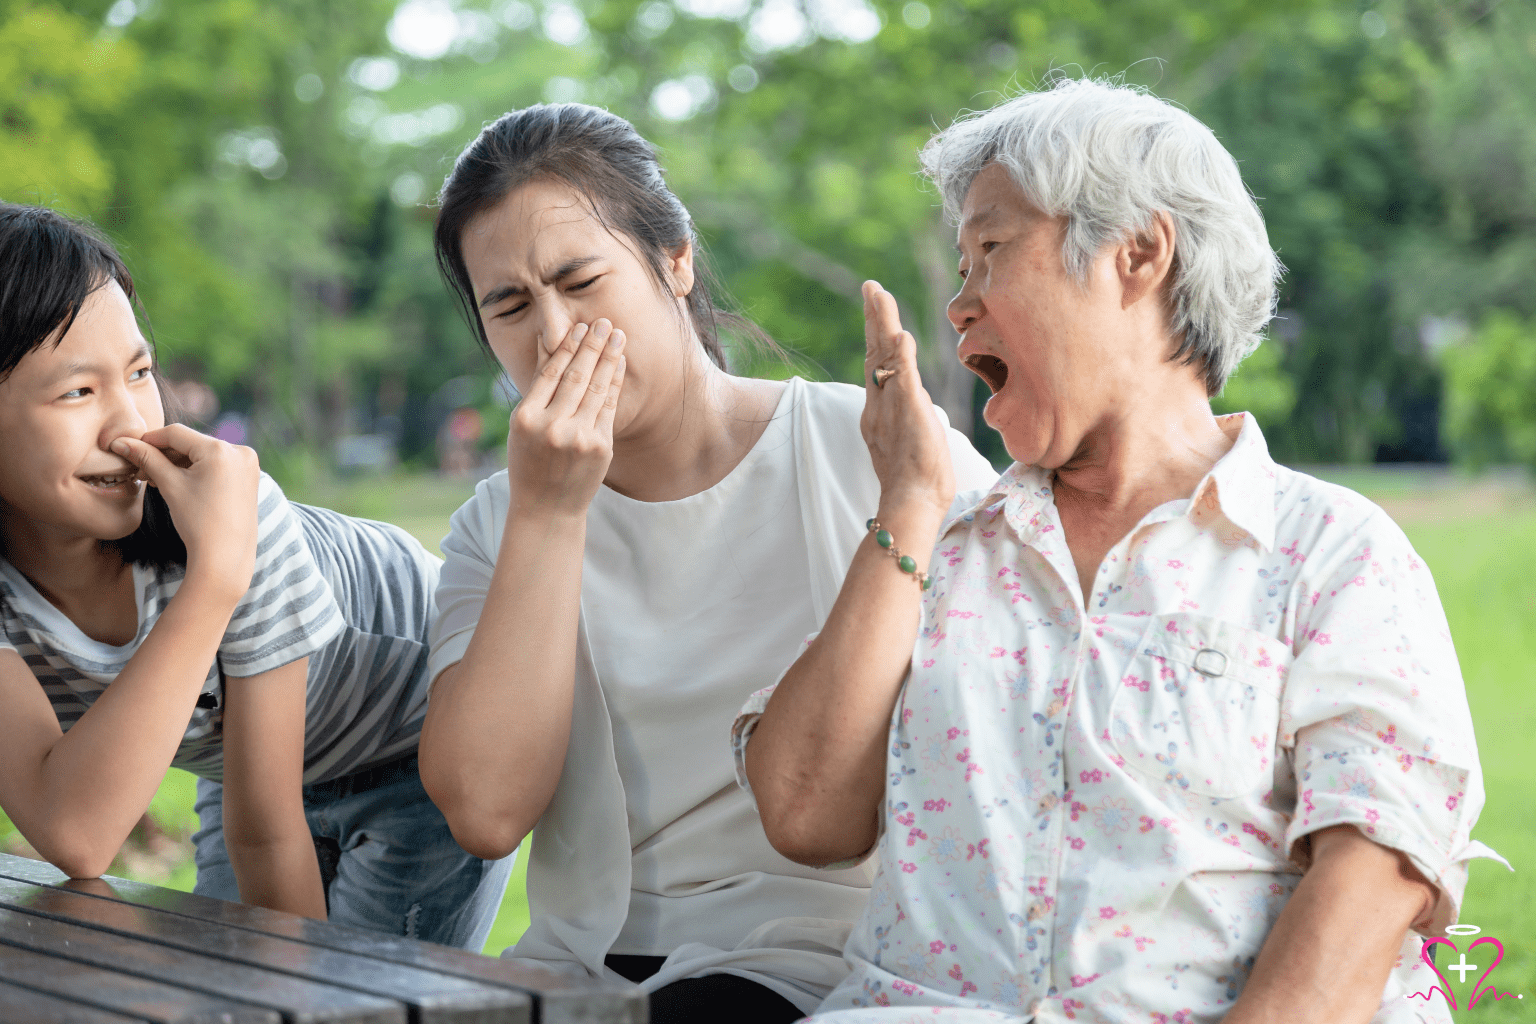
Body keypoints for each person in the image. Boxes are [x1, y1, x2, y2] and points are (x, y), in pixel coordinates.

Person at [738, 78, 1503, 1023]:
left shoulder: (1331, 554)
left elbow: (1378, 865)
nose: (959, 306)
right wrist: (907, 500)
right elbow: (807, 815)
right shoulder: (940, 549)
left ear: (1137, 255)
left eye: (990, 250)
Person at [416, 103, 998, 1022]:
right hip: (582, 968)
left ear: (675, 261)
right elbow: (485, 812)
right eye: (512, 305)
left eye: (581, 280)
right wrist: (551, 510)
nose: (557, 335)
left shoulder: (874, 451)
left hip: (828, 963)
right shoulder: (501, 520)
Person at [0, 204, 513, 949]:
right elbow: (73, 828)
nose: (128, 425)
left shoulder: (237, 522)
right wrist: (214, 586)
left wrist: (219, 567)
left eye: (140, 373)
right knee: (233, 976)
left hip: (420, 737)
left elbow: (269, 838)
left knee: (369, 997)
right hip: (250, 749)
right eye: (78, 391)